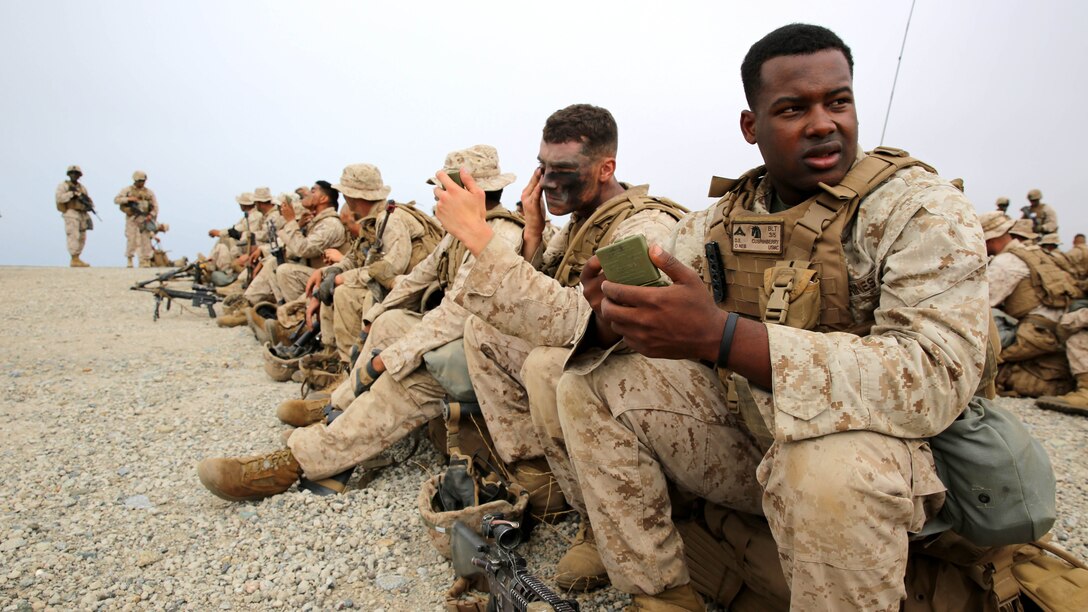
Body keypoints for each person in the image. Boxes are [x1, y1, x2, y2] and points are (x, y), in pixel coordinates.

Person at [509, 25, 988, 610]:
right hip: (756, 437)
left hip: (894, 465)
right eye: (792, 109)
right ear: (751, 127)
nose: (822, 123)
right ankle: (661, 593)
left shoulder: (919, 209)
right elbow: (655, 318)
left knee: (824, 468)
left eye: (838, 101)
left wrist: (723, 336)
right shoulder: (716, 224)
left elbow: (935, 376)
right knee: (589, 381)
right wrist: (614, 315)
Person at [433, 103, 686, 591]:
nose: (548, 183)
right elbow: (530, 298)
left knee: (550, 365)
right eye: (542, 169)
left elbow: (583, 322)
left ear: (606, 167)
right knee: (485, 331)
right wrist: (530, 235)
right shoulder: (581, 223)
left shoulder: (642, 226)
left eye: (563, 172)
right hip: (599, 369)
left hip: (646, 382)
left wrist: (481, 238)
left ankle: (602, 521)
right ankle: (545, 484)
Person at [196, 145, 524, 501]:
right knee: (391, 320)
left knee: (410, 376)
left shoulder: (502, 234)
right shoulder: (460, 231)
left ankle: (300, 460)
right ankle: (339, 408)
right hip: (460, 335)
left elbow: (457, 312)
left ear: (466, 190)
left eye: (443, 186)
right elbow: (416, 279)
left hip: (485, 350)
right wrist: (372, 322)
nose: (437, 194)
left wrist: (391, 358)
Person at [114, 170, 158, 268]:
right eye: (139, 181)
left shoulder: (149, 192)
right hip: (133, 217)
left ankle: (146, 260)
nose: (141, 183)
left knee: (146, 240)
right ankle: (130, 259)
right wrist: (129, 199)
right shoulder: (127, 190)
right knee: (131, 238)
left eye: (143, 181)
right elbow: (116, 200)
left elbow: (155, 206)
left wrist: (151, 215)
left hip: (145, 218)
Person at [55, 165, 94, 267]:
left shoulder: (82, 188)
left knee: (82, 237)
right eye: (72, 173)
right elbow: (59, 198)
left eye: (76, 173)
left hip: (82, 213)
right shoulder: (63, 186)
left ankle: (77, 257)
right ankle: (74, 258)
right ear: (68, 174)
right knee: (73, 235)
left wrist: (90, 206)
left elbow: (88, 199)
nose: (74, 175)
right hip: (71, 212)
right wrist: (71, 194)